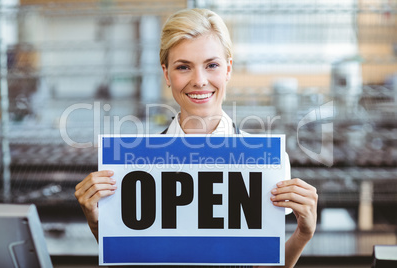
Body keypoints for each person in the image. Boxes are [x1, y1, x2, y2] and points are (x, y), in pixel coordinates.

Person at [75, 8, 318, 268]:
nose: (199, 80)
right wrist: (97, 223)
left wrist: (303, 234)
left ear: (228, 69)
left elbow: (262, 264)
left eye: (212, 65)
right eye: (183, 67)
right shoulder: (134, 165)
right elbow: (135, 258)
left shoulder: (267, 162)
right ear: (167, 74)